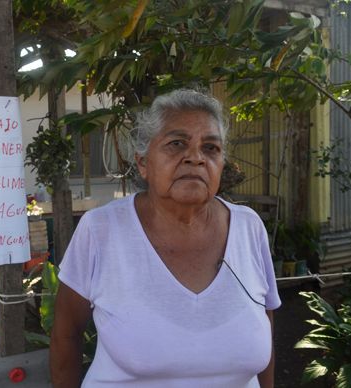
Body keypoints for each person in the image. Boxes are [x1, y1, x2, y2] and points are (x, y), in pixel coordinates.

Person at [50, 89, 281, 387]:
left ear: (223, 164)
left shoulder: (249, 228)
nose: (196, 158)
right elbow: (66, 336)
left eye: (211, 148)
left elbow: (265, 328)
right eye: (176, 144)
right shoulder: (102, 229)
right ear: (144, 163)